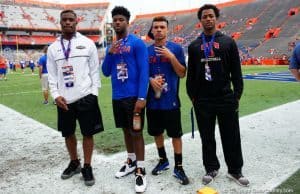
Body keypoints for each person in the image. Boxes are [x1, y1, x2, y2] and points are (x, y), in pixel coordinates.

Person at [186, 4, 249, 187]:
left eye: (211, 15)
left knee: (231, 136)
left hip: (225, 98)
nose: (208, 19)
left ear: (216, 18)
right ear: (200, 20)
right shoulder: (194, 46)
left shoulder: (228, 42)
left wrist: (236, 95)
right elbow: (191, 76)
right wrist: (193, 97)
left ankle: (235, 170)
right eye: (204, 16)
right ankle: (211, 168)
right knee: (207, 137)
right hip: (203, 100)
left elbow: (236, 72)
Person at [47, 9, 104, 186]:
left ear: (76, 21)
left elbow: (95, 71)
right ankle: (74, 162)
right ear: (60, 22)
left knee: (88, 133)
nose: (68, 22)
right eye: (64, 20)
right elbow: (52, 75)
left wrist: (94, 93)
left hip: (86, 96)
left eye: (71, 19)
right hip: (64, 100)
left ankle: (87, 166)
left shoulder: (88, 44)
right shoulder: (53, 47)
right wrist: (56, 95)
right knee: (68, 133)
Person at [102, 6, 149, 193]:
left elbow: (144, 72)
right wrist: (110, 53)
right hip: (118, 96)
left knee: (136, 132)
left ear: (127, 22)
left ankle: (141, 168)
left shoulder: (137, 44)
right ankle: (131, 160)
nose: (118, 22)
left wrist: (142, 97)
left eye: (121, 19)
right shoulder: (111, 46)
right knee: (125, 130)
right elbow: (105, 72)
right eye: (115, 20)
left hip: (133, 97)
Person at [146, 16, 189, 185]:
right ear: (152, 30)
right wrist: (150, 80)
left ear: (167, 30)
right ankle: (163, 160)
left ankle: (179, 167)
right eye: (155, 27)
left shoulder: (176, 49)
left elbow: (182, 73)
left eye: (162, 27)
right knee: (157, 133)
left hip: (170, 101)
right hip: (153, 101)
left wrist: (171, 57)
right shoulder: (147, 51)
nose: (158, 30)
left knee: (175, 135)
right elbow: (143, 75)